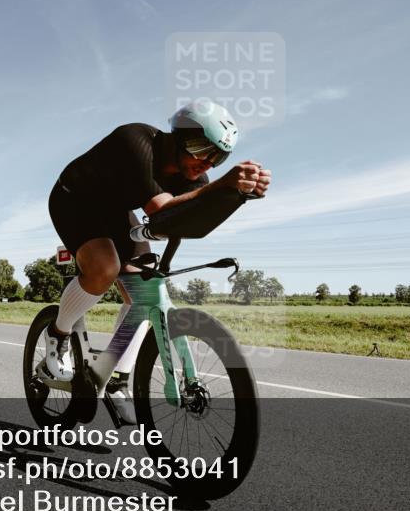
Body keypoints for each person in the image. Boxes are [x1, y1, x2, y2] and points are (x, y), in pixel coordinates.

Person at [44, 99, 271, 421]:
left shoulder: (195, 179)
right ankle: (58, 334)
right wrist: (224, 184)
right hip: (75, 199)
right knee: (105, 267)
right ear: (177, 136)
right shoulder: (135, 140)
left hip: (116, 212)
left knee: (144, 292)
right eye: (200, 148)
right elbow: (161, 212)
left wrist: (237, 195)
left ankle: (116, 379)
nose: (206, 162)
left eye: (218, 157)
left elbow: (185, 223)